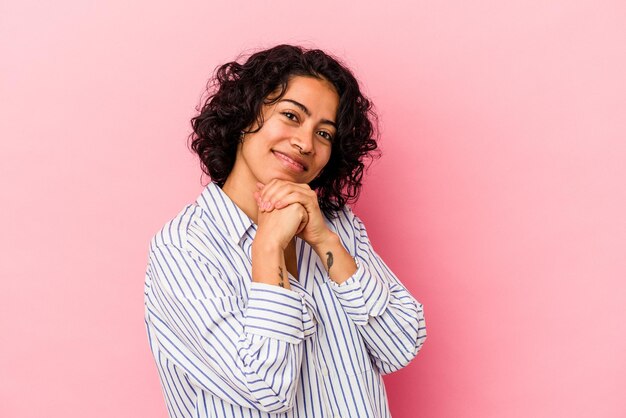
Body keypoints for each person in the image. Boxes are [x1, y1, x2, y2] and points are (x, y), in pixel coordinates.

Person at [144, 44, 427, 418]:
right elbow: (265, 389)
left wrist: (325, 240)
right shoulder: (184, 249)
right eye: (291, 115)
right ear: (245, 115)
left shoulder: (336, 225)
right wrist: (267, 248)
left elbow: (400, 345)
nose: (305, 143)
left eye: (324, 134)